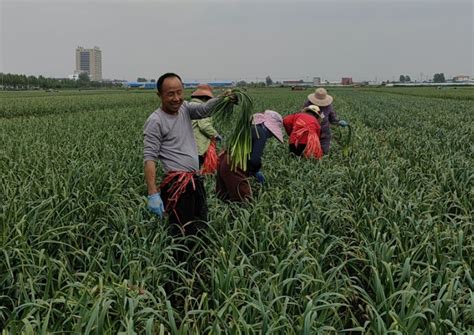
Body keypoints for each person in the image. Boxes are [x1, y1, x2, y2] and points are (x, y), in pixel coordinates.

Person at [143, 73, 236, 237]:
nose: (176, 98)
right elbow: (150, 158)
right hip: (177, 186)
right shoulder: (156, 121)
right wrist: (152, 193)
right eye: (170, 94)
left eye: (179, 92)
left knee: (200, 227)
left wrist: (224, 98)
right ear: (159, 95)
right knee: (183, 233)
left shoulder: (185, 108)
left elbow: (204, 109)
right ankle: (182, 261)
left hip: (194, 181)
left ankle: (198, 260)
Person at [216, 110, 284, 202]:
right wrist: (255, 172)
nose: (271, 136)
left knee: (224, 197)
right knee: (243, 200)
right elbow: (254, 159)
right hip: (235, 164)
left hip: (225, 159)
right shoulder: (260, 133)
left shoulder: (249, 128)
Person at [303, 87, 349, 155]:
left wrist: (338, 122)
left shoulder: (328, 106)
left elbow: (332, 118)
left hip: (324, 132)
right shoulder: (308, 105)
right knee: (310, 152)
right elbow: (303, 118)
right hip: (311, 132)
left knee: (324, 151)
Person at [190, 84, 222, 172]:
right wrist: (215, 135)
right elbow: (204, 125)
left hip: (189, 145)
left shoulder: (191, 105)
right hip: (198, 145)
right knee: (197, 170)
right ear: (205, 98)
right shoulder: (201, 109)